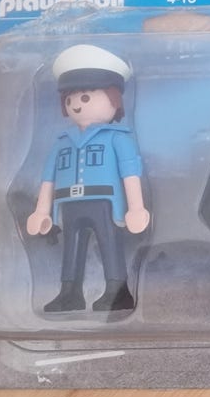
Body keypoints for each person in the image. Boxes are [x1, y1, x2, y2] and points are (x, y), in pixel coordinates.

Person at [27, 44, 149, 312]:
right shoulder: (62, 142)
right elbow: (48, 179)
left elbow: (130, 174)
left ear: (114, 98)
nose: (76, 105)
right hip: (68, 204)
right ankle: (69, 293)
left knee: (109, 243)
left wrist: (136, 208)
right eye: (70, 99)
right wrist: (41, 211)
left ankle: (117, 291)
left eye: (85, 98)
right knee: (71, 247)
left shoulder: (118, 139)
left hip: (104, 201)